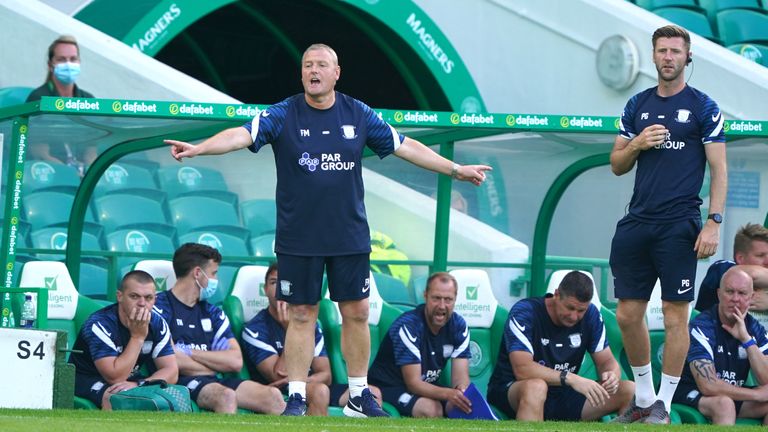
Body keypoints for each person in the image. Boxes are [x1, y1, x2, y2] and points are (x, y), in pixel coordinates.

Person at [165, 43, 491, 417]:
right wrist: (199, 149)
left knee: (356, 311)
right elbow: (239, 135)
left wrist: (456, 169)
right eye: (307, 65)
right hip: (298, 238)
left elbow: (406, 146)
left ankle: (358, 394)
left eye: (321, 64)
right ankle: (298, 397)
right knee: (302, 313)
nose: (313, 70)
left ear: (337, 73)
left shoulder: (358, 113)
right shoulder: (283, 113)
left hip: (348, 236)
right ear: (301, 73)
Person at [609, 25, 727, 424]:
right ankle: (643, 397)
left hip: (679, 224)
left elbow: (719, 169)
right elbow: (616, 165)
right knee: (627, 313)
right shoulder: (636, 105)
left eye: (676, 51)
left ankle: (663, 401)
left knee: (675, 315)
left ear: (688, 57)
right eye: (662, 51)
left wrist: (713, 223)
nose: (669, 57)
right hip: (637, 221)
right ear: (654, 56)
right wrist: (638, 143)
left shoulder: (704, 107)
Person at [153, 243, 285, 414]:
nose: (216, 280)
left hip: (213, 380)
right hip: (179, 382)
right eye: (214, 273)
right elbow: (172, 361)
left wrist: (188, 351)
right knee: (226, 396)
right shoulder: (159, 307)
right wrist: (214, 365)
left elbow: (235, 361)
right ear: (198, 273)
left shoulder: (213, 313)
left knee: (273, 396)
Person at [487, 271, 634, 421]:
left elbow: (606, 361)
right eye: (570, 308)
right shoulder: (525, 312)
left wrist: (611, 375)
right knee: (536, 387)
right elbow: (522, 370)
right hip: (514, 390)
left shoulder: (591, 315)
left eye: (581, 310)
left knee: (630, 390)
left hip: (563, 393)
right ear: (556, 295)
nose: (574, 316)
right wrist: (571, 378)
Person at [241, 262, 384, 415]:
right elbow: (279, 374)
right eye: (274, 282)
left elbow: (326, 374)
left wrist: (307, 380)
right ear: (265, 289)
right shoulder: (254, 329)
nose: (279, 289)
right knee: (320, 391)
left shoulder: (311, 325)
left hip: (311, 383)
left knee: (373, 392)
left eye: (284, 283)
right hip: (279, 391)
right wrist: (287, 328)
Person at [368, 272, 474, 418]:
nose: (442, 306)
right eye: (436, 298)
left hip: (427, 387)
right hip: (389, 387)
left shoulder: (459, 326)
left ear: (455, 300)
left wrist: (460, 391)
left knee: (463, 405)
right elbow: (413, 383)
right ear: (425, 296)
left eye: (448, 299)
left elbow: (461, 379)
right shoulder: (408, 326)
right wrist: (449, 393)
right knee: (431, 409)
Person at [69, 270, 178, 410]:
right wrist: (137, 337)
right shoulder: (100, 324)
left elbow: (171, 371)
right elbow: (114, 378)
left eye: (148, 298)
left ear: (155, 300)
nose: (142, 303)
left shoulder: (158, 323)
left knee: (169, 392)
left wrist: (140, 384)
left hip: (130, 379)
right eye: (134, 296)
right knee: (115, 396)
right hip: (86, 378)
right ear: (120, 296)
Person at [672, 267, 768, 424]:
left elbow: (766, 379)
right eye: (729, 292)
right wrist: (756, 395)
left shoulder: (754, 327)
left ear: (751, 298)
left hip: (729, 393)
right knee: (724, 404)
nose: (735, 299)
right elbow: (707, 385)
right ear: (719, 294)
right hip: (689, 390)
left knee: (727, 401)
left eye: (742, 293)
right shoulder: (702, 326)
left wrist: (747, 340)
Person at [695, 223, 768, 315]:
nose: (767, 261)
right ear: (740, 258)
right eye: (760, 255)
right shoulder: (723, 268)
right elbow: (752, 273)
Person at [26, 35, 94, 101]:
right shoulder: (38, 98)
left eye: (73, 59)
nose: (68, 64)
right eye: (61, 59)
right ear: (50, 65)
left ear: (79, 62)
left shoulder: (88, 100)